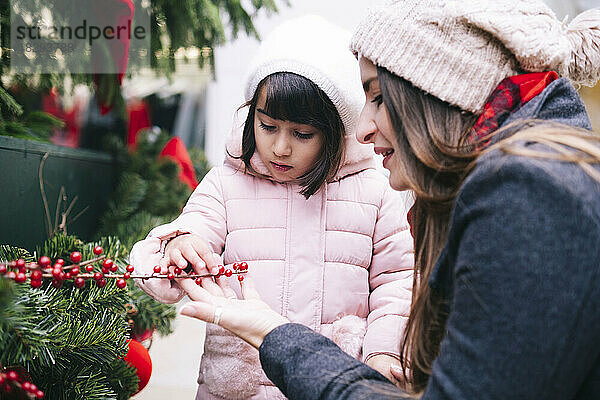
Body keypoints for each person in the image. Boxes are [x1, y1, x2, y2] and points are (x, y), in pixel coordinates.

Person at [177, 1, 600, 399]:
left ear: (438, 93)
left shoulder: (528, 200)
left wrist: (278, 336)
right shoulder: (510, 188)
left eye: (377, 97)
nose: (360, 129)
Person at [129, 15, 414, 400]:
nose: (280, 147)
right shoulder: (227, 184)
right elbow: (178, 245)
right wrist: (178, 248)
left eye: (302, 134)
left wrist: (382, 353)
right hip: (236, 388)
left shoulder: (374, 192)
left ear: (335, 131)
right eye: (267, 126)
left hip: (331, 381)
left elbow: (397, 283)